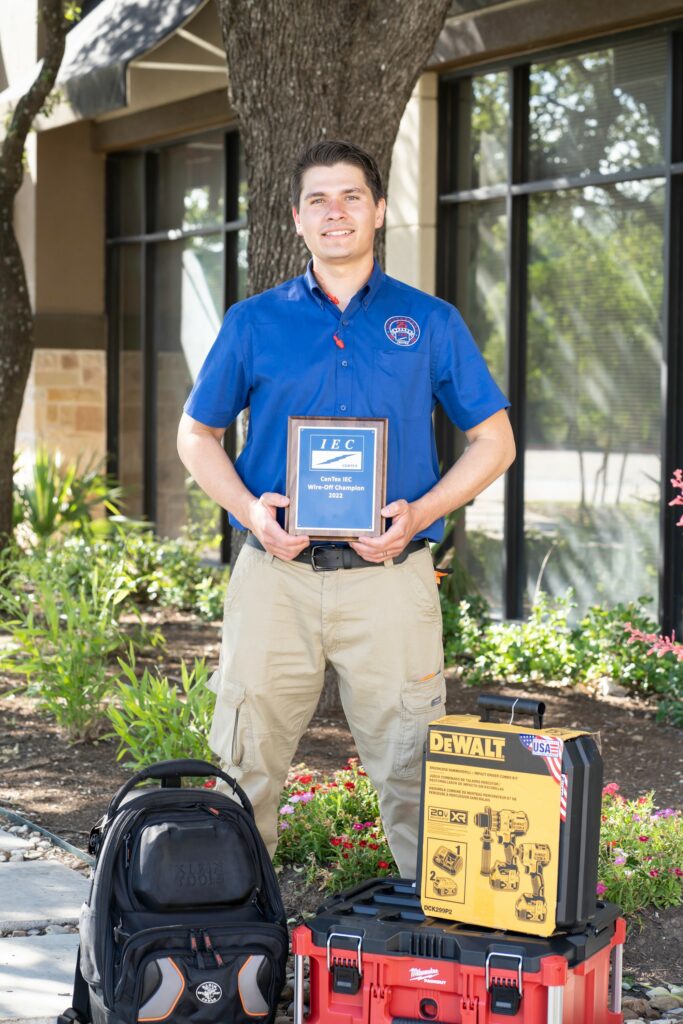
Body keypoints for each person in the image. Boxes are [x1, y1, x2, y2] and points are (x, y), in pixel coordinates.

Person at [177, 139, 515, 878]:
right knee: (243, 764)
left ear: (379, 210)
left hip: (390, 581)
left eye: (351, 196)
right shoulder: (253, 322)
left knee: (414, 770)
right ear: (297, 218)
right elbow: (196, 435)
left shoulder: (429, 322)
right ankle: (237, 930)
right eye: (319, 200)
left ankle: (431, 934)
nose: (336, 212)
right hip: (275, 578)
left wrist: (418, 513)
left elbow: (495, 442)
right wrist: (250, 511)